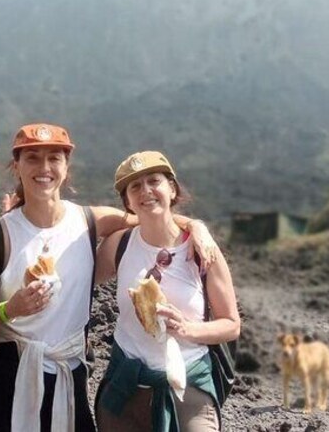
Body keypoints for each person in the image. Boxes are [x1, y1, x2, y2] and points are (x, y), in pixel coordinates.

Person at [0, 124, 219, 432]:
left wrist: (196, 225)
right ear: (17, 166)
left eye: (54, 158)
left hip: (70, 372)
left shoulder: (89, 220)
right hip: (10, 373)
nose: (44, 168)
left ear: (66, 167)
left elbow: (153, 215)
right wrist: (10, 309)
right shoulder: (0, 233)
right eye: (32, 158)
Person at [94, 151, 240, 432]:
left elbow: (231, 325)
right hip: (127, 388)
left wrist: (186, 329)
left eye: (154, 181)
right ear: (127, 202)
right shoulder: (119, 245)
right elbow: (79, 282)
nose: (146, 191)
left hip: (189, 387)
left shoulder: (202, 251)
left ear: (172, 188)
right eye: (134, 187)